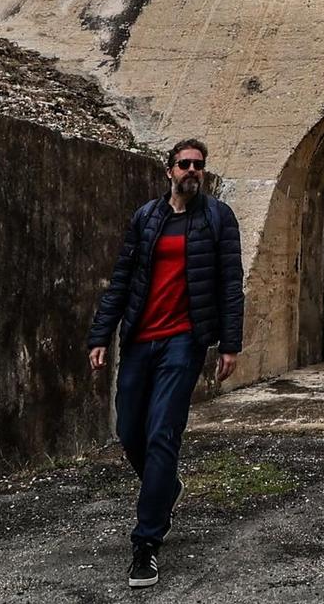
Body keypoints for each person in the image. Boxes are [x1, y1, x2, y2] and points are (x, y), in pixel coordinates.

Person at [88, 139, 244, 590]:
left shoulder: (218, 219)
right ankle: (166, 488)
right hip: (139, 339)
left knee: (162, 433)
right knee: (129, 431)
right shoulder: (147, 217)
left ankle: (146, 544)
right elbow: (122, 278)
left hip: (183, 342)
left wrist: (228, 345)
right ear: (169, 170)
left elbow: (230, 284)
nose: (192, 171)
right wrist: (101, 334)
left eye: (199, 165)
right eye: (185, 164)